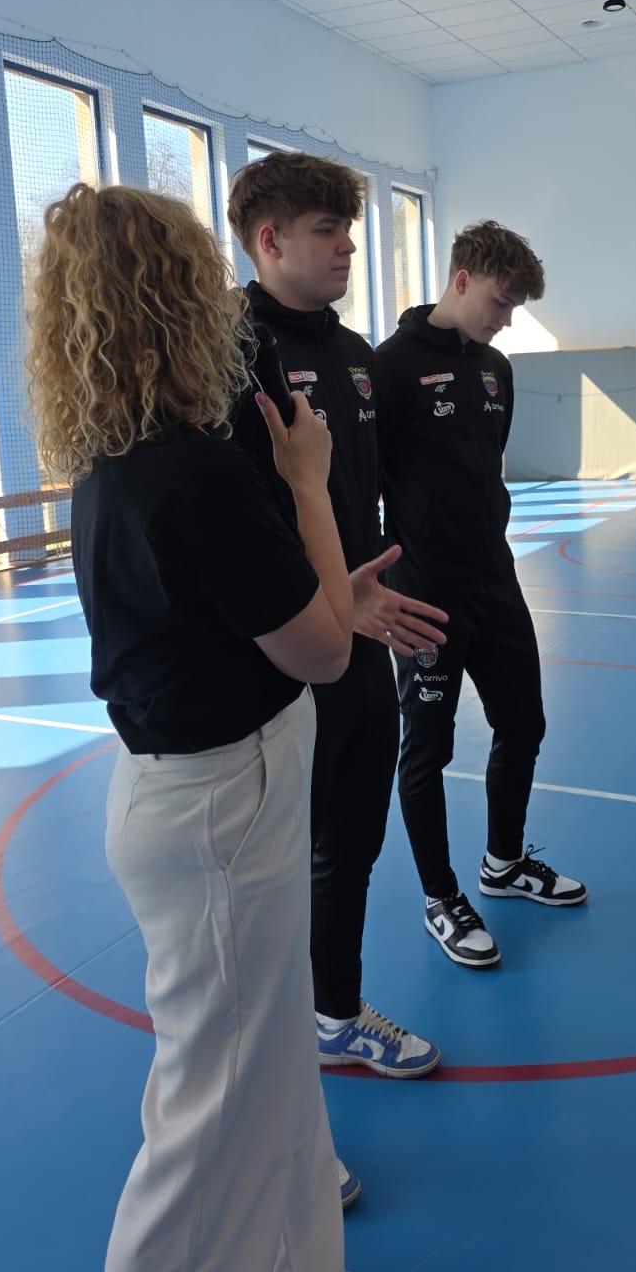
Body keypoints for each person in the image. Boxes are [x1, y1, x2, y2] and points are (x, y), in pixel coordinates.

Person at [26, 182, 413, 1272]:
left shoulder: (124, 458)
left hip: (209, 795)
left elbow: (263, 617)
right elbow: (324, 651)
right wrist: (308, 484)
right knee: (209, 1120)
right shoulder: (190, 470)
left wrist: (331, 595)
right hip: (216, 811)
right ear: (177, 300)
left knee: (275, 1073)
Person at [227, 150, 446, 1089]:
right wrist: (317, 606)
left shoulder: (357, 355)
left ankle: (336, 1015)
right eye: (327, 230)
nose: (348, 246)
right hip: (283, 649)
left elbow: (365, 492)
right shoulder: (227, 352)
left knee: (352, 840)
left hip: (362, 638)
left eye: (348, 230)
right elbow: (228, 521)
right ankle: (266, 1046)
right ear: (269, 240)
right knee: (275, 860)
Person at [373, 220, 586, 969]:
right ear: (461, 280)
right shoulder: (390, 367)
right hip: (423, 593)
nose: (506, 319)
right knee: (427, 747)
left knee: (524, 722)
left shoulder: (498, 369)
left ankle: (503, 863)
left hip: (495, 579)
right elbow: (366, 485)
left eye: (515, 307)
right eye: (500, 302)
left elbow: (484, 468)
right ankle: (441, 896)